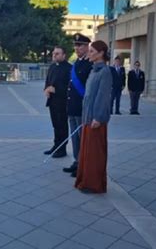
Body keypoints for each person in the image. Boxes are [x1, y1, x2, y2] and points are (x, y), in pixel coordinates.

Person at [74, 40, 113, 194]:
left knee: (95, 154)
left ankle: (93, 184)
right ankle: (84, 180)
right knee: (86, 153)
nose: (88, 54)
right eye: (89, 51)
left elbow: (103, 97)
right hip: (87, 118)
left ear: (101, 53)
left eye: (91, 51)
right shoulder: (93, 70)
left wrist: (98, 117)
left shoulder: (105, 72)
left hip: (96, 120)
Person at [63, 33, 93, 177]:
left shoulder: (90, 64)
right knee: (74, 138)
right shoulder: (77, 63)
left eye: (80, 45)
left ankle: (83, 164)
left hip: (82, 108)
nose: (77, 48)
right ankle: (77, 161)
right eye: (75, 45)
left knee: (82, 139)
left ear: (87, 46)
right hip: (73, 107)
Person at [44, 46, 72, 158]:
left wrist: (56, 90)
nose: (54, 55)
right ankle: (56, 145)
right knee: (55, 125)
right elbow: (48, 81)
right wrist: (46, 89)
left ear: (64, 55)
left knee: (62, 125)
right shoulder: (52, 67)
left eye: (57, 53)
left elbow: (70, 86)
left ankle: (62, 149)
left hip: (63, 101)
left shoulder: (69, 68)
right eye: (54, 53)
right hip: (52, 101)